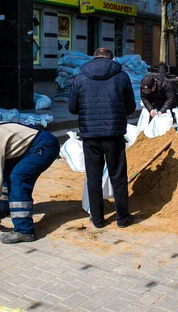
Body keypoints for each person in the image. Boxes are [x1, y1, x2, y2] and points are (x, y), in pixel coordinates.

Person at [68, 47, 136, 229]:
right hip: (114, 135)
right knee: (119, 177)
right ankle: (122, 219)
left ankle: (97, 219)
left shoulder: (80, 76)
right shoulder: (122, 76)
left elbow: (72, 108)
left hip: (90, 135)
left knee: (93, 177)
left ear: (93, 58)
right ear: (112, 59)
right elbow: (130, 107)